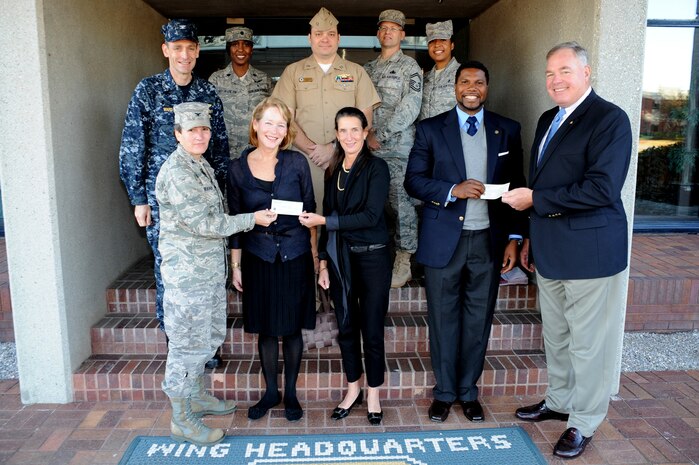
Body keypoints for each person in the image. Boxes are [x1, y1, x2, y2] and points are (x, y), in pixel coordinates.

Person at [502, 42, 632, 460]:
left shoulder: (610, 119)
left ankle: (585, 420)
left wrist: (536, 200)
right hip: (553, 251)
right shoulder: (547, 119)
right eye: (549, 73)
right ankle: (559, 401)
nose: (555, 80)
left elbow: (601, 188)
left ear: (586, 73)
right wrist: (528, 235)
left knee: (589, 344)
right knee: (557, 337)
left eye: (564, 71)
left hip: (591, 253)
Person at [404, 61, 526, 424]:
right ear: (454, 87)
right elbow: (413, 181)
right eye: (465, 81)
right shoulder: (430, 130)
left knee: (478, 320)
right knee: (443, 319)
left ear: (487, 87)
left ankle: (468, 393)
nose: (471, 87)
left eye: (479, 82)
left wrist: (515, 238)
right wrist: (450, 190)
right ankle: (444, 394)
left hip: (488, 242)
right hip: (445, 243)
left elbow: (518, 183)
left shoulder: (508, 129)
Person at [156, 102, 277, 446]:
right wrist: (252, 219)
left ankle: (196, 396)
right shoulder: (178, 172)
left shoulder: (198, 164)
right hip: (188, 279)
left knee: (206, 339)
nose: (199, 135)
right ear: (178, 134)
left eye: (204, 129)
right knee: (186, 347)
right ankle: (181, 418)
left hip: (206, 274)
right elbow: (206, 224)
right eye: (191, 130)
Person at [119, 19, 229, 369]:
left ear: (197, 52)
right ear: (166, 50)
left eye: (190, 48)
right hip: (162, 202)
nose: (184, 54)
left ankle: (206, 345)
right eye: (177, 48)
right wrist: (138, 197)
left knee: (207, 272)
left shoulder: (208, 93)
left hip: (202, 201)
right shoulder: (148, 91)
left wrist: (223, 195)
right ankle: (179, 346)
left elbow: (221, 147)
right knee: (172, 274)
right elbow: (133, 147)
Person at [299, 107, 391, 426]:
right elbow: (328, 219)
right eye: (343, 131)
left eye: (355, 130)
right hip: (340, 258)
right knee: (347, 327)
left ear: (365, 132)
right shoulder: (333, 170)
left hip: (373, 258)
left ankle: (374, 394)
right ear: (336, 135)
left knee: (372, 329)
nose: (349, 136)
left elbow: (371, 216)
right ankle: (353, 389)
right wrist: (323, 262)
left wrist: (327, 221)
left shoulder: (377, 168)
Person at [227, 97, 316, 422]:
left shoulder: (296, 163)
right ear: (255, 125)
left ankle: (290, 393)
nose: (274, 130)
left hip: (294, 255)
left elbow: (309, 211)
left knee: (292, 329)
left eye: (281, 124)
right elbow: (235, 220)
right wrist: (235, 266)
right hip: (257, 257)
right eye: (268, 122)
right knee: (266, 329)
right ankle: (270, 392)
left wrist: (316, 259)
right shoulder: (237, 168)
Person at [272, 7, 381, 215]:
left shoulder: (356, 72)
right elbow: (285, 119)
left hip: (346, 157)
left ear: (339, 38)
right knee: (305, 215)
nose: (325, 39)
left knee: (346, 215)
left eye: (331, 34)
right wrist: (314, 150)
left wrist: (333, 148)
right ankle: (312, 249)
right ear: (309, 38)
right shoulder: (292, 72)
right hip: (305, 159)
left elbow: (365, 117)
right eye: (318, 34)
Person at [364, 9, 422, 288]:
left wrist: (380, 134)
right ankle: (379, 255)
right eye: (383, 28)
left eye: (393, 28)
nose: (387, 32)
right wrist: (364, 137)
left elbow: (410, 107)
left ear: (402, 34)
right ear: (378, 33)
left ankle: (404, 259)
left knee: (402, 204)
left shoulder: (410, 67)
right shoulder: (367, 69)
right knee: (374, 203)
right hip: (368, 150)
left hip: (397, 148)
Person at [209, 26, 271, 159]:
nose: (241, 49)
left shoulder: (264, 79)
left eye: (246, 44)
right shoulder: (216, 80)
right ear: (228, 48)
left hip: (256, 154)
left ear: (252, 49)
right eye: (235, 44)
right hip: (224, 156)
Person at [419, 20, 461, 121]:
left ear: (452, 45)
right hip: (425, 135)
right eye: (432, 41)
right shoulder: (424, 78)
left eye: (443, 39)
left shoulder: (463, 73)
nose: (437, 44)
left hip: (452, 134)